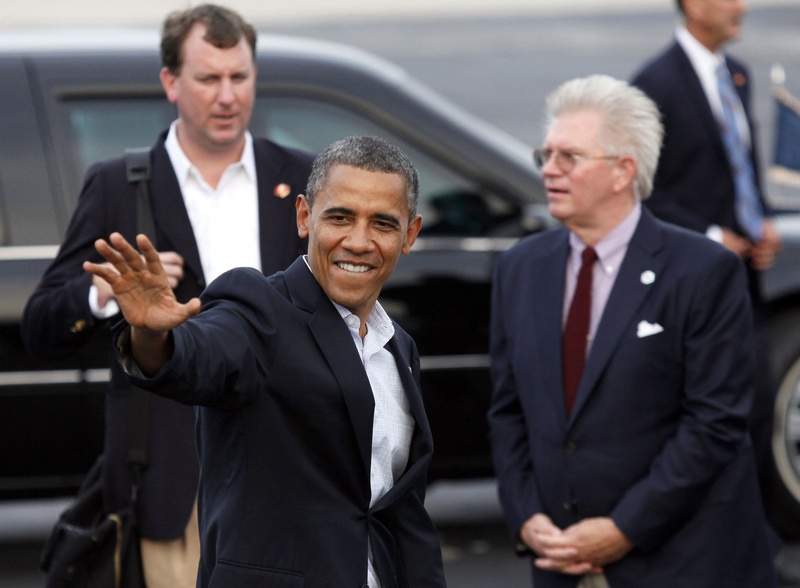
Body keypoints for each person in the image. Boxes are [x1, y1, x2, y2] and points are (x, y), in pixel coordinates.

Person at [21, 5, 313, 587]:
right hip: (175, 487)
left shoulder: (303, 177)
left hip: (290, 475)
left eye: (240, 76)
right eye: (208, 78)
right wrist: (104, 295)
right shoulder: (119, 185)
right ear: (170, 83)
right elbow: (40, 326)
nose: (227, 96)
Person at [83, 135, 447, 588]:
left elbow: (400, 512)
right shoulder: (260, 309)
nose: (359, 241)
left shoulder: (399, 348)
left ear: (409, 234)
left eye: (382, 224)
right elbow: (203, 354)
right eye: (340, 217)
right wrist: (154, 336)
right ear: (303, 216)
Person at [487, 75, 777, 588]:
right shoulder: (520, 268)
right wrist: (527, 516)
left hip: (681, 564)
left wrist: (625, 528)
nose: (549, 170)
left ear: (622, 171)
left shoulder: (703, 271)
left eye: (569, 157)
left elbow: (714, 423)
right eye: (546, 155)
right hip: (559, 563)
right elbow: (509, 411)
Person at [630, 0, 781, 503]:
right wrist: (713, 235)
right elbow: (642, 191)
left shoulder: (736, 74)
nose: (743, 7)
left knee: (756, 406)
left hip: (746, 275)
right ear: (693, 5)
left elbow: (741, 168)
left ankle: (757, 541)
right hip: (692, 276)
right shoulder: (655, 83)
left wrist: (764, 222)